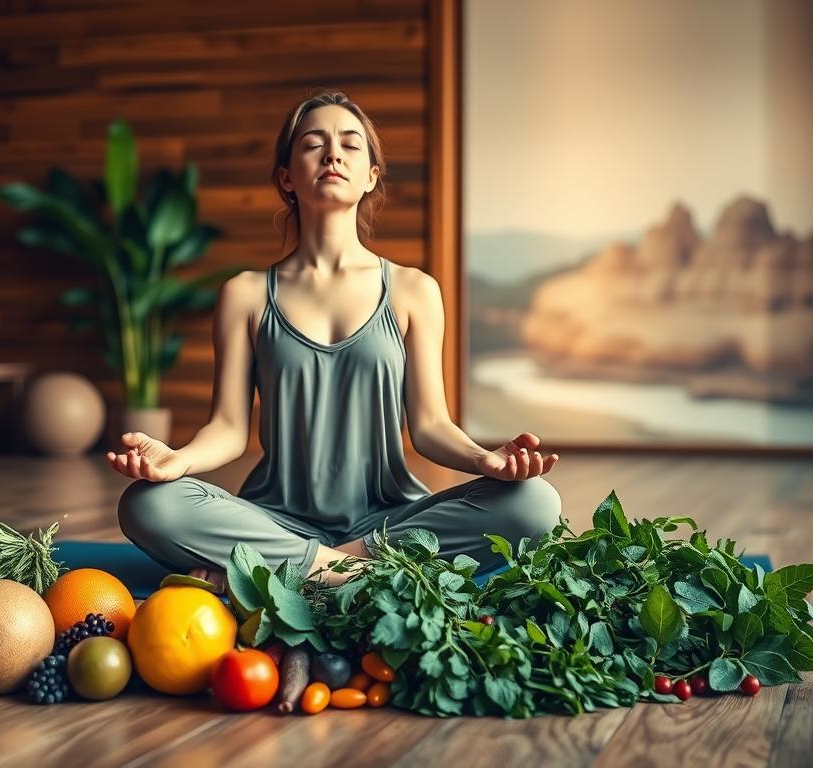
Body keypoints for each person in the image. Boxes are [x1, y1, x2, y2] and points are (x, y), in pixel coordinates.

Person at [108, 89, 562, 590]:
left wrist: (486, 460)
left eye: (350, 144)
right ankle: (358, 578)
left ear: (370, 176)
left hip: (388, 527)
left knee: (535, 501)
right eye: (313, 144)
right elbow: (229, 428)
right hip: (275, 522)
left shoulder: (414, 290)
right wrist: (177, 460)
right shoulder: (245, 294)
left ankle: (298, 573)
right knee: (149, 504)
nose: (333, 154)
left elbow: (431, 424)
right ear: (286, 176)